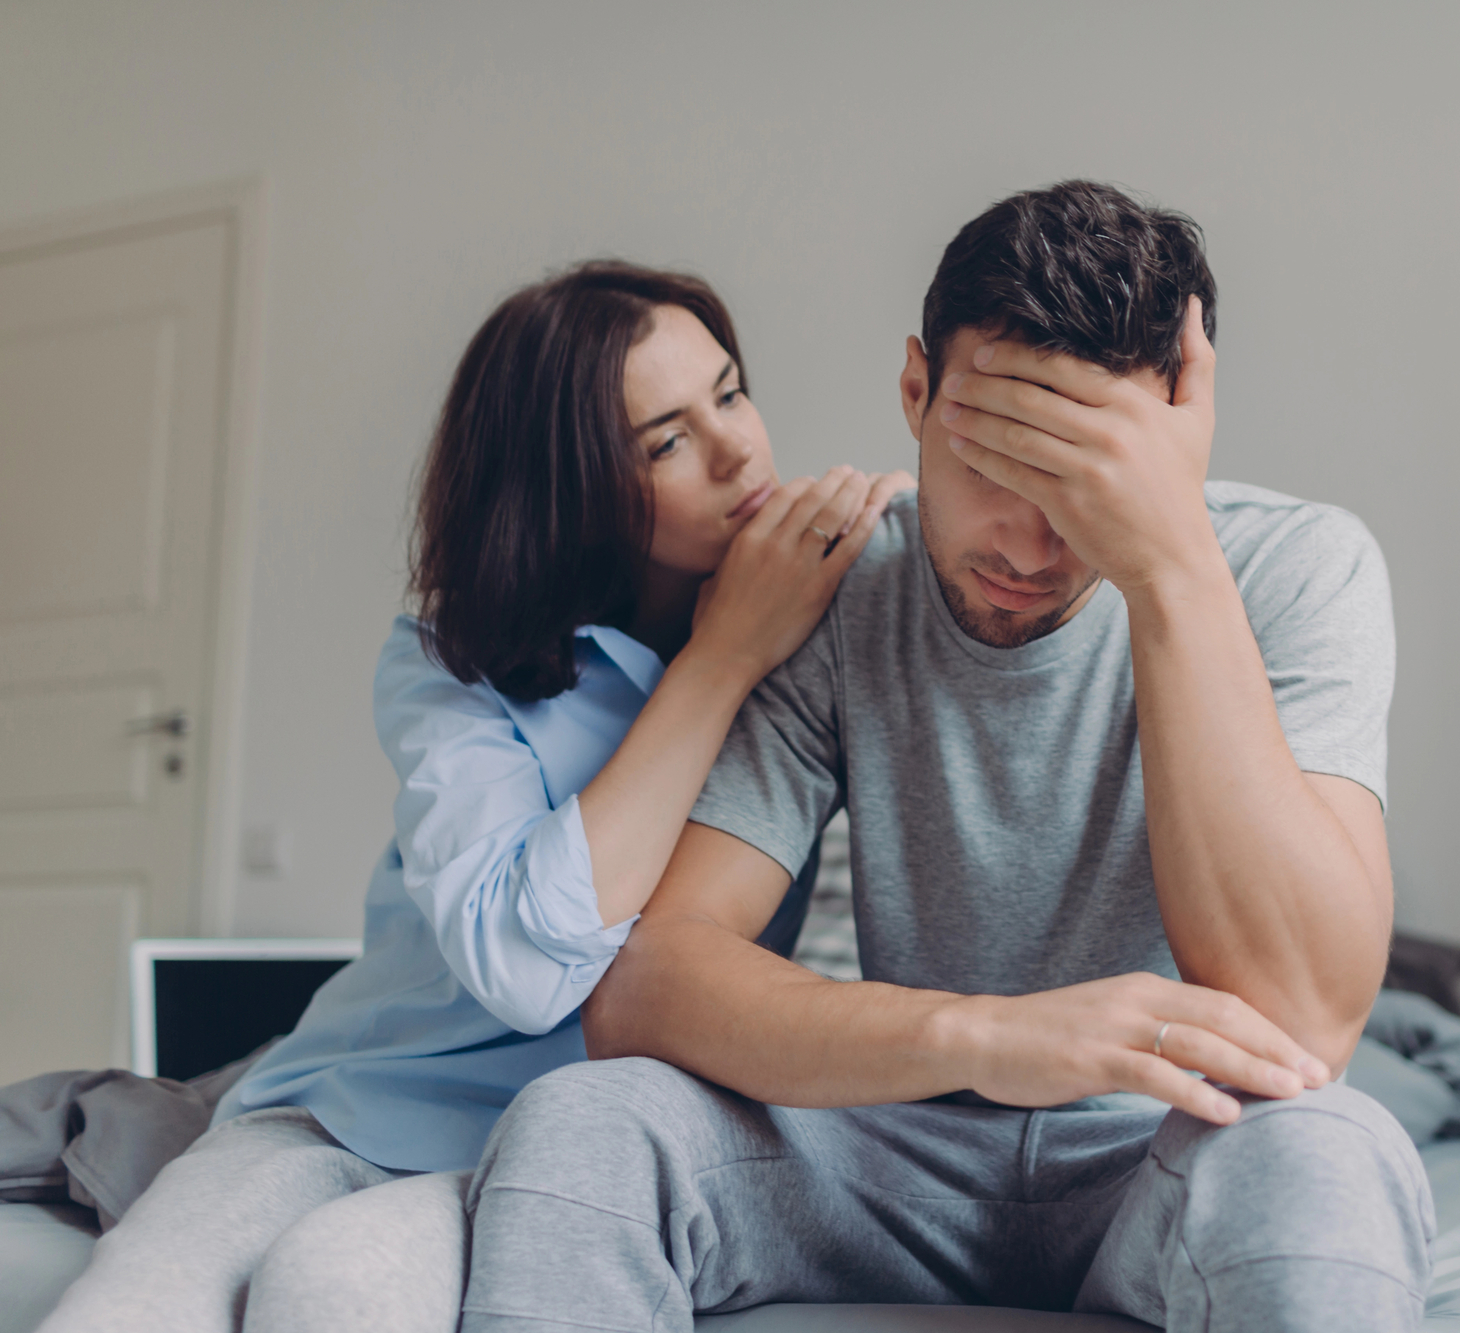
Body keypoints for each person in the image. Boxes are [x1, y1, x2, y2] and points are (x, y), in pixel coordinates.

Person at [458, 183, 1435, 1333]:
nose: (1027, 545)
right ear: (916, 390)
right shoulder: (841, 584)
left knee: (1330, 1149)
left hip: (1164, 1150)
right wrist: (988, 1036)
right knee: (581, 1120)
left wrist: (1167, 565)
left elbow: (1304, 1019)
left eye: (1079, 485)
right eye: (991, 470)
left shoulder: (1295, 568)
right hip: (892, 1140)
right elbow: (647, 985)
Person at [37, 262, 909, 1333]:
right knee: (125, 1313)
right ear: (572, 486)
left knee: (335, 1289)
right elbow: (526, 967)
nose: (739, 450)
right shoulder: (453, 661)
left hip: (577, 1141)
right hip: (346, 1107)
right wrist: (721, 658)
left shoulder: (825, 626)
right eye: (668, 440)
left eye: (730, 393)